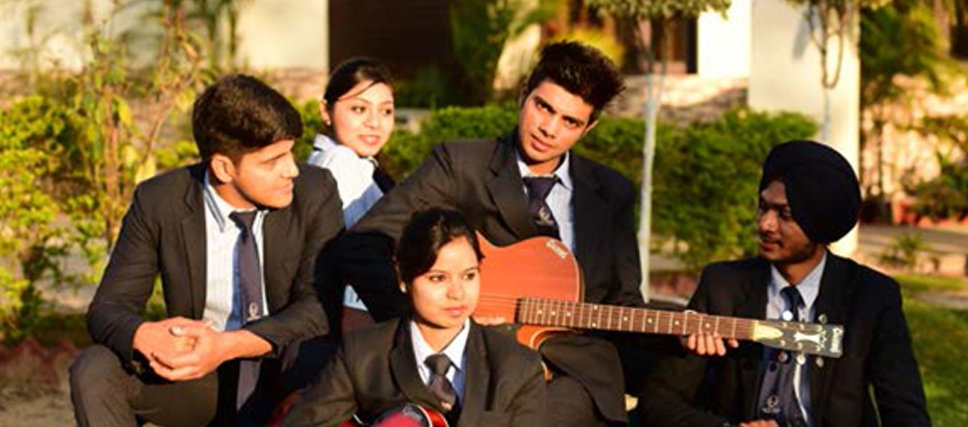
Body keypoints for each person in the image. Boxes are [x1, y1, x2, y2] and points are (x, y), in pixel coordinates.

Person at [336, 41, 640, 426]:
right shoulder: (461, 165)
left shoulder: (612, 193)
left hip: (569, 376)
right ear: (524, 93)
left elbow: (625, 301)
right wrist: (429, 325)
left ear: (589, 127)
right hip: (468, 364)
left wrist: (689, 332)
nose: (548, 129)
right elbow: (363, 244)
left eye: (570, 122)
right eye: (543, 107)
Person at [69, 74, 344, 426]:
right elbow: (108, 308)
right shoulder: (159, 201)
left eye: (290, 152)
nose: (291, 169)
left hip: (287, 373)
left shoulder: (315, 191)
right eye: (272, 161)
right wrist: (146, 335)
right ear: (224, 168)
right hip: (200, 379)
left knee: (326, 359)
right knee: (95, 367)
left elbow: (319, 307)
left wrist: (228, 344)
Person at [640, 140, 930, 427]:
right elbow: (659, 401)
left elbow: (906, 412)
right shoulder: (723, 285)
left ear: (819, 221)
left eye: (784, 214)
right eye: (763, 207)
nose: (765, 224)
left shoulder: (871, 296)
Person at [282, 208, 546, 426]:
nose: (457, 293)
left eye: (469, 275)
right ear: (402, 278)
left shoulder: (517, 365)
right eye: (437, 278)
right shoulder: (363, 354)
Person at [307, 57, 396, 328]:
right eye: (359, 109)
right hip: (353, 321)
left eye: (386, 111)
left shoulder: (359, 164)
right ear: (326, 110)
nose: (374, 123)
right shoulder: (340, 161)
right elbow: (360, 254)